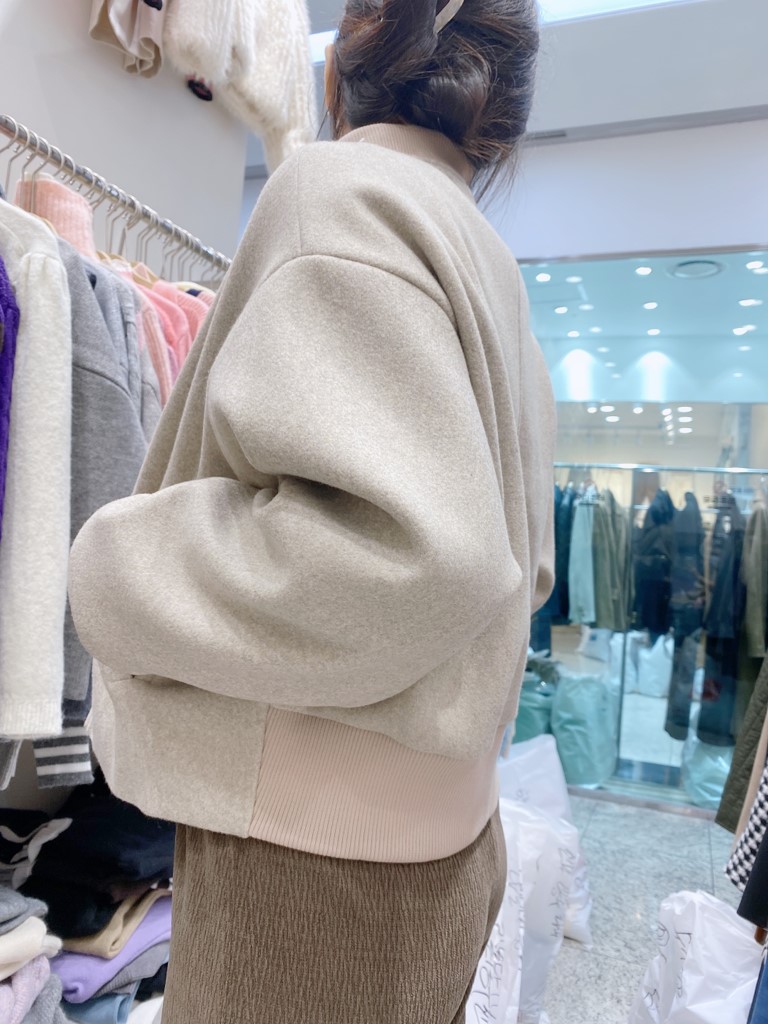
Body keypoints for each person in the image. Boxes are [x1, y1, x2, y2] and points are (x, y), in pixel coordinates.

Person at [68, 0, 555, 1020]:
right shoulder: (485, 256)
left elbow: (408, 553)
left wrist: (115, 557)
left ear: (336, 74)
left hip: (313, 858)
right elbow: (513, 560)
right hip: (437, 841)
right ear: (501, 117)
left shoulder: (340, 192)